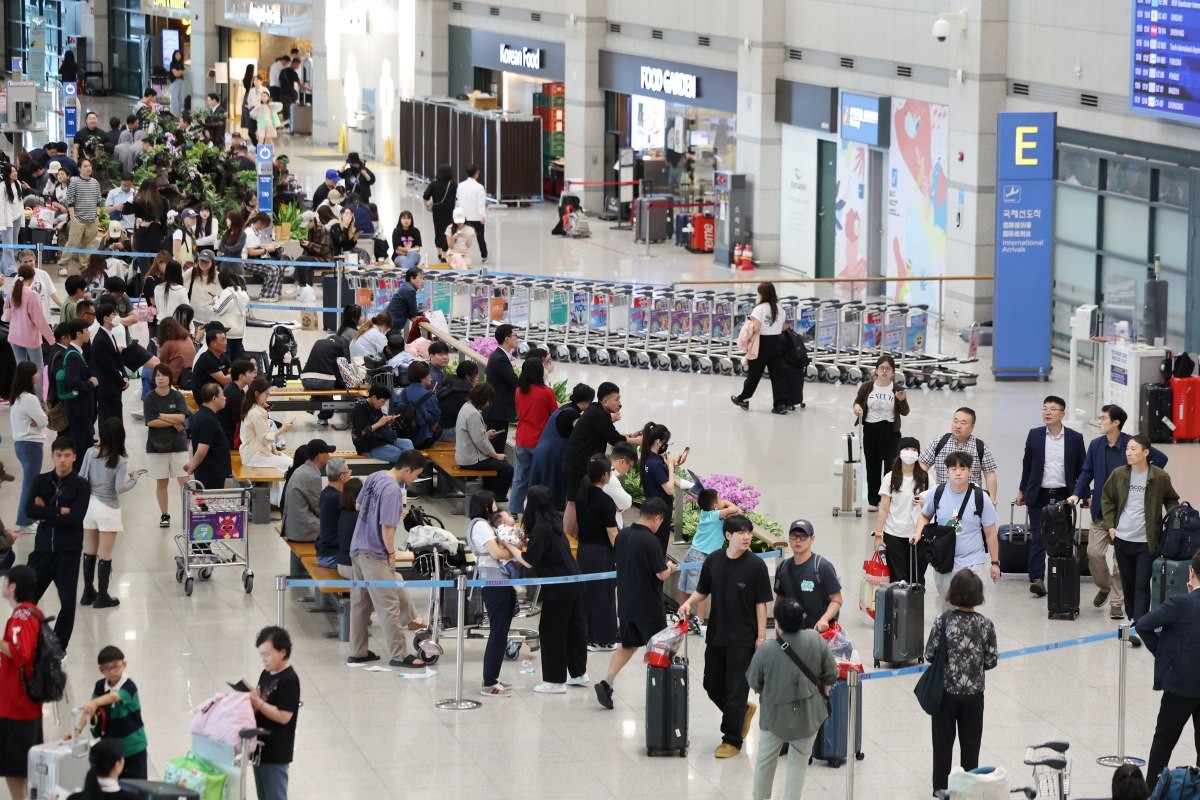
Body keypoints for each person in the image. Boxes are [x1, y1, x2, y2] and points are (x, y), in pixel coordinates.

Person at [677, 514, 771, 758]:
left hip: (744, 638)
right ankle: (741, 712)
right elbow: (703, 590)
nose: (746, 537)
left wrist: (761, 637)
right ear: (728, 535)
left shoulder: (756, 565)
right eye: (741, 532)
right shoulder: (714, 560)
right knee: (711, 684)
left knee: (735, 689)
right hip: (717, 634)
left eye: (749, 532)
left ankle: (731, 740)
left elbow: (761, 603)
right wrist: (688, 603)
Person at [1069, 404, 1168, 620]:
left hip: (1126, 513)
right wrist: (1077, 494)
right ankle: (1104, 587)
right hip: (1102, 510)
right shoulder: (1096, 445)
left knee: (1120, 563)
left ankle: (1116, 602)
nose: (1099, 421)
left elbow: (1161, 459)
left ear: (1116, 422)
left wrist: (1144, 476)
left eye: (1103, 418)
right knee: (1094, 553)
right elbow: (1086, 472)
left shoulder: (1132, 445)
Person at [748, 597, 837, 800]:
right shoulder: (815, 639)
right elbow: (831, 674)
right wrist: (823, 694)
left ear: (777, 623)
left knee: (765, 761)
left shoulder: (767, 650)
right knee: (798, 764)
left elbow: (754, 682)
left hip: (774, 716)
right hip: (808, 714)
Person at [347, 449, 428, 668]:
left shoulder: (375, 476)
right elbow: (387, 528)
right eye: (416, 474)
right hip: (375, 552)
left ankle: (358, 652)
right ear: (407, 469)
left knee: (360, 603)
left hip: (358, 546)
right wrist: (391, 554)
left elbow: (358, 505)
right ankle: (399, 655)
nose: (416, 479)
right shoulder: (393, 490)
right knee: (389, 605)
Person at [594, 498, 676, 709]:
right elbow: (660, 574)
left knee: (629, 645)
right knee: (661, 647)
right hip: (649, 606)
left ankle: (607, 682)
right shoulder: (650, 541)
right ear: (657, 518)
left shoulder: (622, 535)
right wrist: (670, 567)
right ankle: (661, 693)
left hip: (626, 603)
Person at [925, 569, 998, 795]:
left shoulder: (942, 621)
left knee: (942, 746)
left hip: (946, 694)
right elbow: (991, 660)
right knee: (971, 747)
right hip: (974, 696)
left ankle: (941, 790)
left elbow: (929, 654)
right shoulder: (986, 624)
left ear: (953, 592)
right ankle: (968, 790)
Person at [1101, 434, 1181, 626]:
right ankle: (1132, 616)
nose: (1128, 453)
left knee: (1141, 584)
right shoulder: (1119, 474)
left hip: (1147, 541)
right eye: (1127, 449)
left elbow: (1171, 499)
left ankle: (1140, 622)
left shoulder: (1159, 476)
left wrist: (1173, 519)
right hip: (1122, 539)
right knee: (1128, 584)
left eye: (1133, 449)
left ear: (1146, 452)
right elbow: (1107, 499)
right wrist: (1110, 526)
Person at [1136, 552, 1200, 792]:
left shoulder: (1180, 603)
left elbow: (1143, 624)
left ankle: (1152, 791)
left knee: (1163, 741)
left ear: (1191, 572)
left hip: (1180, 686)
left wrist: (1163, 653)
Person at [1016, 395, 1086, 597]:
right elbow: (1027, 465)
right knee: (1038, 538)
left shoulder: (1074, 438)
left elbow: (1082, 468)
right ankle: (1037, 579)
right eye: (1045, 408)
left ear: (1062, 414)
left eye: (1053, 409)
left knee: (1063, 539)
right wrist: (1022, 490)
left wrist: (1083, 493)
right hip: (1039, 494)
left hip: (1064, 496)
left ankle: (1062, 575)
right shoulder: (1035, 435)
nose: (1047, 412)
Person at [26, 436, 91, 651]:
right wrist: (58, 511)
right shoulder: (41, 481)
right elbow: (29, 510)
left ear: (74, 457)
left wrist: (44, 512)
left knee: (68, 603)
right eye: (58, 455)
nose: (62, 459)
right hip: (43, 548)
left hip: (68, 551)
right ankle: (27, 641)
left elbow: (75, 518)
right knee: (27, 599)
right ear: (52, 456)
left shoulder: (81, 485)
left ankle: (59, 647)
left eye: (67, 455)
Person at [914, 452, 1002, 611]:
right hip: (944, 562)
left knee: (968, 608)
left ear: (970, 471)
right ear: (947, 471)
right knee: (947, 609)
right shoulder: (937, 493)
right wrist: (918, 532)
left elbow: (990, 533)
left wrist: (995, 563)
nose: (958, 472)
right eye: (953, 469)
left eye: (963, 468)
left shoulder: (981, 497)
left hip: (973, 562)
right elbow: (925, 515)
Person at [522, 485, 588, 693]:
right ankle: (578, 673)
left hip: (560, 587)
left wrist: (511, 548)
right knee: (573, 629)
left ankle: (554, 681)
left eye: (526, 499)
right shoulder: (554, 522)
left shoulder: (541, 528)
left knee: (552, 631)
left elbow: (529, 560)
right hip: (575, 581)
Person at [563, 382, 641, 536]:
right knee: (574, 503)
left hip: (578, 463)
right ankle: (568, 539)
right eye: (616, 399)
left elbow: (609, 433)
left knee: (578, 502)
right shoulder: (599, 415)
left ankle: (573, 538)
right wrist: (637, 441)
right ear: (605, 401)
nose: (620, 403)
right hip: (576, 465)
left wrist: (630, 436)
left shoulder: (596, 410)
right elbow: (614, 439)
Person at [79, 419, 141, 609]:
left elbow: (81, 476)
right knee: (105, 554)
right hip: (108, 509)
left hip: (89, 506)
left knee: (89, 550)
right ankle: (102, 595)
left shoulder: (90, 452)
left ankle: (87, 592)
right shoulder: (120, 461)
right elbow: (119, 488)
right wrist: (134, 479)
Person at [466, 490, 518, 695]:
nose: (496, 506)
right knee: (498, 633)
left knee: (501, 632)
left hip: (500, 583)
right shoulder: (481, 526)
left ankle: (492, 677)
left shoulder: (483, 525)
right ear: (487, 506)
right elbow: (496, 553)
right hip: (495, 584)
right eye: (494, 502)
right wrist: (514, 552)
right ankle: (489, 682)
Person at [0, 564, 44, 800]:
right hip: (26, 703)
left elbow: (20, 653)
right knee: (21, 766)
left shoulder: (20, 616)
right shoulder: (33, 613)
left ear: (13, 587)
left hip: (16, 706)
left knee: (14, 768)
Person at [73, 646, 148, 779]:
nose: (112, 671)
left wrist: (95, 702)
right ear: (100, 670)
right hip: (111, 748)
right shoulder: (100, 686)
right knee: (113, 784)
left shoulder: (129, 686)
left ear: (124, 665)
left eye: (115, 666)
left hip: (133, 747)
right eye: (106, 668)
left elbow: (114, 697)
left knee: (137, 784)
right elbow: (90, 709)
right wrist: (77, 730)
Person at [575, 455, 622, 652]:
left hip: (584, 551)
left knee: (587, 595)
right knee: (603, 596)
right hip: (601, 553)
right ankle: (602, 639)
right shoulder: (605, 500)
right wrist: (621, 555)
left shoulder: (581, 495)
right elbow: (612, 532)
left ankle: (587, 635)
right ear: (604, 475)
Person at [677, 488, 743, 628]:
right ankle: (699, 619)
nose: (722, 500)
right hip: (702, 556)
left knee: (684, 587)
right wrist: (726, 504)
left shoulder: (705, 512)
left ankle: (681, 617)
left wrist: (721, 503)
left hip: (692, 552)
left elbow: (728, 509)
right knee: (701, 588)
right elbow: (735, 509)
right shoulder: (716, 515)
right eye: (719, 499)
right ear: (714, 506)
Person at [853, 354, 910, 509]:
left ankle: (888, 499)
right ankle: (873, 500)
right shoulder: (867, 387)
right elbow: (858, 402)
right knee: (872, 465)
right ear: (876, 370)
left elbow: (905, 412)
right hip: (871, 430)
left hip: (891, 431)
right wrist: (857, 408)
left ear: (893, 372)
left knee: (891, 467)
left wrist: (902, 400)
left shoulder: (897, 389)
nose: (885, 371)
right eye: (882, 368)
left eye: (888, 368)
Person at [873, 437, 931, 585]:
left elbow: (934, 504)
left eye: (914, 450)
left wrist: (923, 502)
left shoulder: (926, 478)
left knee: (916, 578)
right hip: (894, 534)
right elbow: (883, 508)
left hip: (918, 534)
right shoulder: (890, 477)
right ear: (899, 453)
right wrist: (878, 535)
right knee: (897, 580)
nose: (910, 453)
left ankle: (915, 600)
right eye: (906, 449)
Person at [527, 383, 593, 508]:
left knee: (539, 488)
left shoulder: (565, 407)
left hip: (543, 450)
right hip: (552, 454)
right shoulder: (573, 415)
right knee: (550, 489)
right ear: (586, 402)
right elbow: (584, 432)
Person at [773, 519, 843, 632]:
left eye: (803, 536)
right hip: (791, 634)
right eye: (794, 536)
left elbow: (837, 599)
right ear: (789, 539)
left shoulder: (822, 566)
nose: (798, 540)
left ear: (812, 539)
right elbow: (780, 599)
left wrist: (824, 619)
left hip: (818, 634)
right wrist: (779, 626)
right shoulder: (783, 567)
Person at [143, 364, 191, 528]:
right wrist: (173, 421)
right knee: (162, 482)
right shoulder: (149, 398)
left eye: (163, 375)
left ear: (170, 378)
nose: (161, 378)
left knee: (184, 480)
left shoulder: (177, 396)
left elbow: (181, 418)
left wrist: (161, 415)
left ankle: (189, 512)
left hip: (178, 444)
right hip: (156, 446)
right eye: (157, 375)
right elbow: (151, 422)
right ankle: (164, 514)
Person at [919, 407, 1000, 501]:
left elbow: (989, 475)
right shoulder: (938, 443)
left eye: (963, 423)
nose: (957, 426)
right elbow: (923, 465)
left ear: (972, 427)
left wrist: (992, 501)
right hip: (942, 500)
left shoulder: (980, 447)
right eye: (955, 421)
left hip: (971, 501)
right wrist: (921, 492)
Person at [731, 281, 788, 414]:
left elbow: (756, 328)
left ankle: (743, 398)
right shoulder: (780, 309)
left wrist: (749, 324)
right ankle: (780, 405)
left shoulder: (759, 309)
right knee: (778, 375)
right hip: (776, 342)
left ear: (762, 294)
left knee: (754, 374)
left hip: (761, 344)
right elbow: (783, 327)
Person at [511, 356, 558, 516]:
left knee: (520, 476)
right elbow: (554, 413)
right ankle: (536, 511)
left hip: (522, 438)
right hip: (540, 440)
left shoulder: (519, 391)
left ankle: (514, 509)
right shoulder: (547, 392)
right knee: (539, 478)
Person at [240, 379, 297, 505]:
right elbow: (264, 438)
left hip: (259, 452)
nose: (268, 396)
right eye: (266, 393)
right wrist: (283, 429)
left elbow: (265, 434)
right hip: (254, 455)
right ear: (257, 394)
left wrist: (275, 450)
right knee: (292, 465)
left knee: (286, 461)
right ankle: (284, 500)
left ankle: (278, 499)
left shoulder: (256, 409)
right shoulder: (255, 413)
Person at [456, 382, 513, 498]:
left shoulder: (466, 407)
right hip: (471, 460)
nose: (488, 404)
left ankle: (489, 493)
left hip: (466, 455)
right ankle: (496, 496)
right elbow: (480, 442)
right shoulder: (473, 413)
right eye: (487, 400)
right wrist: (496, 455)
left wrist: (485, 434)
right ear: (481, 398)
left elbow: (474, 435)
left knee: (497, 463)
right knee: (507, 468)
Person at [639, 421, 689, 553]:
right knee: (658, 548)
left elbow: (662, 475)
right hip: (660, 512)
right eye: (665, 442)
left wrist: (673, 464)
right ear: (658, 442)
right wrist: (671, 467)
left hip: (651, 507)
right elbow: (669, 489)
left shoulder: (649, 458)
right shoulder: (655, 463)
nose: (665, 445)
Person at [9, 362, 47, 536]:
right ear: (28, 376)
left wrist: (35, 421)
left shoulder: (16, 398)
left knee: (30, 483)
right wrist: (37, 421)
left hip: (20, 444)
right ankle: (24, 522)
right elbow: (44, 421)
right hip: (31, 445)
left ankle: (28, 518)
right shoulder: (30, 399)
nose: (38, 375)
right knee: (30, 485)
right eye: (35, 373)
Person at [61, 320, 98, 467]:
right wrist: (90, 383)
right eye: (86, 330)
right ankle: (78, 476)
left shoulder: (78, 352)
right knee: (80, 447)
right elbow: (72, 381)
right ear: (78, 333)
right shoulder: (72, 355)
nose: (89, 333)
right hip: (78, 410)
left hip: (82, 409)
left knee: (86, 445)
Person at [282, 439, 335, 543]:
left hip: (293, 525)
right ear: (319, 455)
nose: (329, 456)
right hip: (302, 528)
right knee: (341, 528)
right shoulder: (311, 476)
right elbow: (319, 508)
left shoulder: (302, 469)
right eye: (327, 453)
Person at [4, 264, 55, 371]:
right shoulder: (32, 295)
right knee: (38, 367)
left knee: (21, 366)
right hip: (30, 338)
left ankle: (22, 383)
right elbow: (39, 320)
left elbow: (6, 310)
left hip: (14, 335)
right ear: (32, 277)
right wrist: (51, 339)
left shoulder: (12, 292)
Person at [184, 383, 233, 490]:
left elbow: (192, 443)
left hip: (209, 471)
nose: (225, 398)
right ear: (214, 398)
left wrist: (192, 463)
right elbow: (202, 449)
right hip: (211, 472)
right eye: (222, 395)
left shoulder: (199, 415)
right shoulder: (207, 420)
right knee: (210, 500)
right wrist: (192, 467)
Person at [484, 324, 520, 455]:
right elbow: (515, 381)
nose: (517, 338)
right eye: (515, 335)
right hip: (498, 412)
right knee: (496, 450)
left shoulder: (498, 356)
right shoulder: (500, 359)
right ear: (507, 339)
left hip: (496, 410)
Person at [351, 385, 411, 462]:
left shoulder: (375, 406)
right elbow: (361, 433)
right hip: (367, 446)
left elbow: (380, 424)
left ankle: (406, 467)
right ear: (374, 397)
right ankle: (405, 467)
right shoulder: (360, 409)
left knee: (408, 443)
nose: (383, 404)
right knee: (400, 455)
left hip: (380, 439)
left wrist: (387, 422)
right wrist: (379, 423)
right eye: (382, 401)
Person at [300, 335, 348, 427]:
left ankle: (313, 404)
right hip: (324, 381)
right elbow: (340, 367)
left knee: (318, 385)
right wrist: (342, 386)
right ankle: (323, 418)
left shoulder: (318, 342)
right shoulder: (338, 347)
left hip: (306, 380)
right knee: (327, 392)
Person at [396, 362, 441, 449]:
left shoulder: (403, 392)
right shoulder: (430, 396)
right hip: (422, 440)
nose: (431, 376)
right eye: (429, 374)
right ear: (422, 377)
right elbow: (435, 420)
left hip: (404, 436)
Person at [64, 158, 102, 258]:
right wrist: (73, 218)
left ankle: (84, 265)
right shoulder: (74, 182)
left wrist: (97, 215)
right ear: (79, 169)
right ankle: (63, 264)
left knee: (89, 245)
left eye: (89, 166)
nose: (88, 168)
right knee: (72, 243)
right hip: (78, 218)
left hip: (92, 219)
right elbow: (70, 201)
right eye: (85, 166)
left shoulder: (95, 182)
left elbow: (98, 200)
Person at [316, 459, 350, 569]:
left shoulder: (325, 493)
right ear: (342, 476)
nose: (350, 474)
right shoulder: (338, 498)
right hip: (332, 555)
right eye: (348, 471)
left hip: (324, 551)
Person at [212, 271, 249, 362]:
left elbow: (218, 310)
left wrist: (216, 300)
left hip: (228, 331)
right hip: (239, 330)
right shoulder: (242, 292)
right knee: (238, 359)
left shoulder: (228, 292)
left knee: (226, 359)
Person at [423, 164, 457, 260]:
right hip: (449, 211)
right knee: (448, 231)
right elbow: (457, 197)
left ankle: (439, 252)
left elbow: (425, 196)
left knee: (438, 230)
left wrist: (426, 206)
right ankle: (445, 253)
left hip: (437, 211)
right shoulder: (453, 184)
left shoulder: (433, 184)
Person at [457, 165, 488, 263]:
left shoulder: (461, 185)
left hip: (464, 216)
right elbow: (481, 203)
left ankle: (461, 254)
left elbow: (458, 198)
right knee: (480, 237)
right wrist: (482, 216)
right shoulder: (479, 187)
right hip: (476, 217)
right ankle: (484, 256)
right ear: (476, 174)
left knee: (462, 236)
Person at [384, 267, 423, 341]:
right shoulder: (410, 290)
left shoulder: (406, 287)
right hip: (393, 324)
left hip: (390, 322)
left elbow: (409, 308)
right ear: (412, 278)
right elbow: (412, 313)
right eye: (420, 278)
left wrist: (421, 312)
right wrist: (420, 314)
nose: (422, 281)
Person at [167, 51, 186, 115]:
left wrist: (180, 72)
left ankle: (181, 114)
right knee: (174, 99)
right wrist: (181, 72)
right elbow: (176, 74)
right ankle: (174, 115)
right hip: (175, 81)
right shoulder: (172, 63)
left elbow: (185, 73)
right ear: (174, 55)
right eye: (177, 54)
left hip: (181, 81)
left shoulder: (181, 64)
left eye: (179, 54)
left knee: (181, 98)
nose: (178, 55)